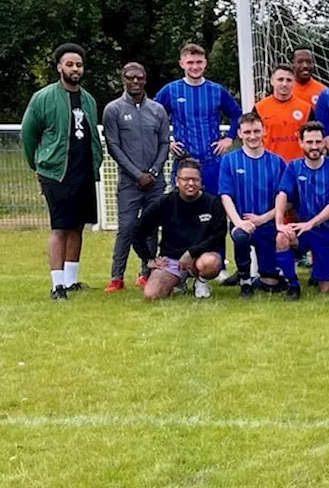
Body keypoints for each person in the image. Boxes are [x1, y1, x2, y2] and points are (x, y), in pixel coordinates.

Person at [21, 43, 104, 299]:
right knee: (59, 228)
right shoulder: (43, 97)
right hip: (56, 173)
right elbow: (28, 134)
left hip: (84, 172)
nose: (75, 69)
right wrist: (39, 165)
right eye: (69, 64)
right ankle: (57, 285)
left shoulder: (88, 99)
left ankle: (71, 281)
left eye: (78, 64)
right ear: (59, 67)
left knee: (78, 226)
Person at [103, 62, 169, 292]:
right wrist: (136, 174)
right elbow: (113, 145)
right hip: (130, 182)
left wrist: (152, 172)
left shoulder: (157, 110)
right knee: (127, 228)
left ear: (145, 79)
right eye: (130, 77)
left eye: (139, 77)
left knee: (151, 227)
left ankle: (147, 272)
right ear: (123, 79)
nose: (135, 82)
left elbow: (164, 143)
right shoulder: (113, 109)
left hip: (155, 181)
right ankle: (116, 277)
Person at [135, 158, 227, 300]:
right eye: (186, 179)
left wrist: (191, 253)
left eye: (195, 179)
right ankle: (179, 282)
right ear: (177, 180)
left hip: (200, 258)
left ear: (201, 181)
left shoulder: (213, 203)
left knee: (211, 262)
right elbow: (138, 231)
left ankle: (201, 281)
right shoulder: (164, 202)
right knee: (151, 295)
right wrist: (148, 259)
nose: (191, 183)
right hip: (171, 260)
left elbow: (219, 235)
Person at [155, 42, 241, 194]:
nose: (195, 67)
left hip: (212, 161)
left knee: (216, 207)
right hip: (184, 161)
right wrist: (167, 141)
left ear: (205, 63)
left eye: (199, 62)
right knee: (182, 210)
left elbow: (237, 114)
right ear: (182, 64)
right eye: (190, 62)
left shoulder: (216, 90)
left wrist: (229, 138)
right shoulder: (171, 90)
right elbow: (152, 117)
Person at [275, 121, 329, 295]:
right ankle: (293, 286)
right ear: (301, 143)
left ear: (324, 143)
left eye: (318, 142)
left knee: (327, 290)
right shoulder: (294, 167)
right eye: (309, 142)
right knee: (282, 238)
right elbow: (282, 193)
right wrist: (279, 223)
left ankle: (322, 271)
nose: (314, 146)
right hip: (305, 231)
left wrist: (311, 223)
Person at [219, 112, 287, 296]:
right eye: (247, 132)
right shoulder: (229, 160)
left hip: (269, 225)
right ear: (240, 134)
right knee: (240, 236)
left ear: (264, 131)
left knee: (270, 283)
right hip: (243, 224)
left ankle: (268, 276)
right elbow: (225, 196)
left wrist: (264, 218)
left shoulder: (277, 162)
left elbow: (286, 201)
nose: (252, 136)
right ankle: (245, 281)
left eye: (257, 131)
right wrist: (238, 222)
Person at [255, 64, 313, 162]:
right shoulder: (259, 108)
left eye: (289, 80)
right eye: (280, 79)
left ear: (294, 83)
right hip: (269, 164)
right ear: (272, 81)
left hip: (298, 165)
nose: (284, 84)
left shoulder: (306, 108)